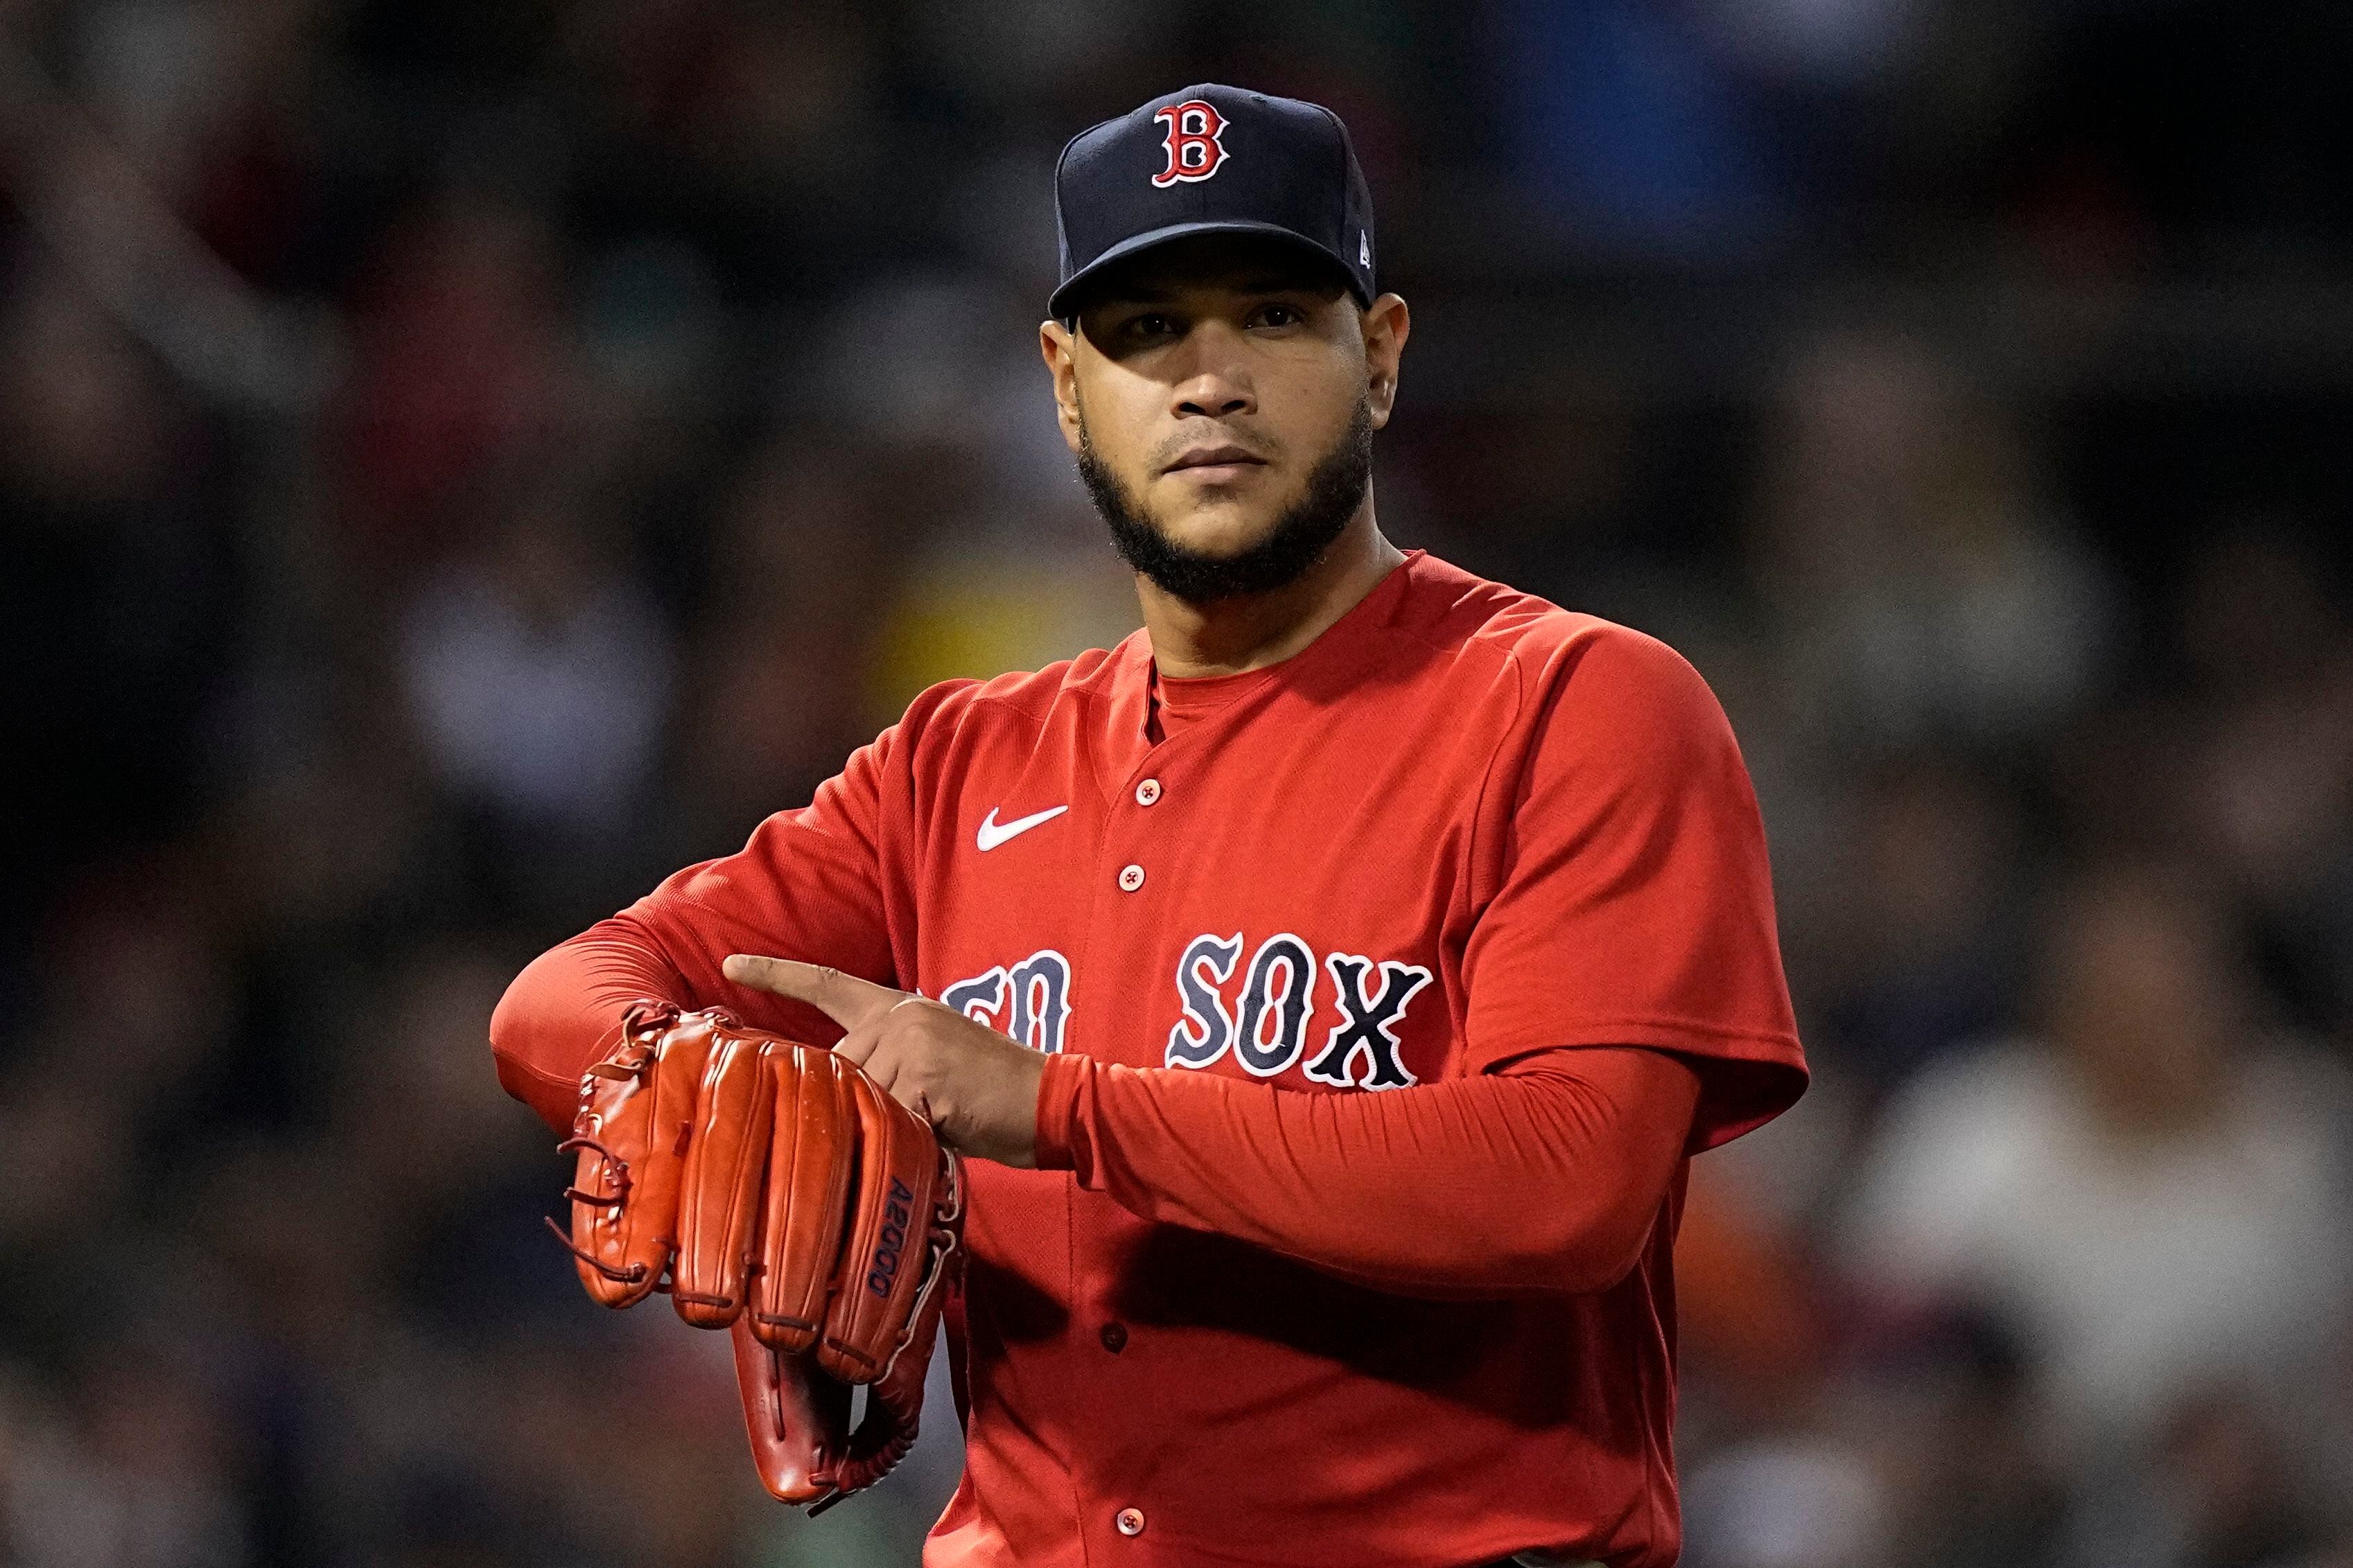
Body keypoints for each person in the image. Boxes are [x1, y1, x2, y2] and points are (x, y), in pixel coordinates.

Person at [490, 83, 1808, 1568]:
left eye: (1272, 316)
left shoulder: (1572, 705)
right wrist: (715, 1079)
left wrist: (1060, 1109)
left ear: (1380, 357)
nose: (1209, 380)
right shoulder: (957, 766)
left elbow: (1568, 1183)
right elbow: (552, 1005)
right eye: (1147, 331)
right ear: (1066, 388)